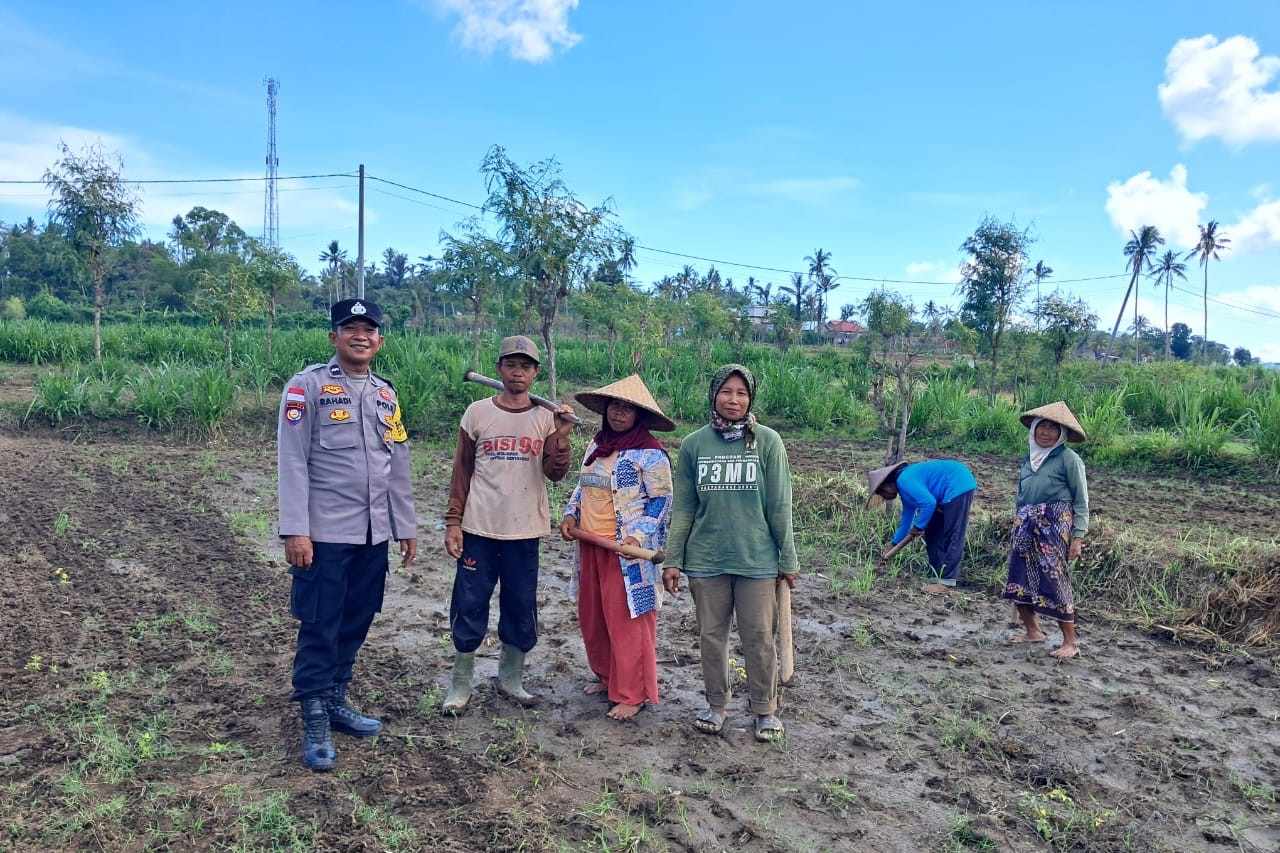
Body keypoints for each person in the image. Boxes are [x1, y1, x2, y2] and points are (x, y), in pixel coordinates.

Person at [278, 298, 418, 772]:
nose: (361, 336)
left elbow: (397, 462)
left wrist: (405, 526)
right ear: (333, 337)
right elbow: (292, 460)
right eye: (350, 328)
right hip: (325, 533)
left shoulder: (385, 395)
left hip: (373, 532)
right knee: (321, 621)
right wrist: (296, 530)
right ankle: (314, 713)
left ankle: (336, 697)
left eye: (369, 329)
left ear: (380, 340)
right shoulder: (308, 387)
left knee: (359, 616)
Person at [662, 365, 798, 743]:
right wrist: (673, 559)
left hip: (757, 560)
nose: (733, 400)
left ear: (750, 398)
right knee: (711, 637)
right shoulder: (694, 445)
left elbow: (779, 505)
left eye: (741, 393)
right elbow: (684, 508)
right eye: (726, 391)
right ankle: (716, 705)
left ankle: (765, 710)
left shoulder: (768, 442)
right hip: (706, 559)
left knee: (759, 637)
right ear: (713, 395)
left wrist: (788, 559)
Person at [442, 335, 574, 714]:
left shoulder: (545, 417)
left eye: (525, 366)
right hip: (479, 528)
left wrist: (561, 436)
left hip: (524, 531)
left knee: (520, 604)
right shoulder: (477, 413)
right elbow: (462, 471)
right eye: (511, 365)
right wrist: (453, 522)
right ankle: (461, 682)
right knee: (469, 602)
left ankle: (510, 678)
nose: (518, 372)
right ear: (499, 368)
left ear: (535, 373)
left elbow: (555, 473)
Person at [560, 375, 675, 721]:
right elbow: (583, 488)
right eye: (614, 406)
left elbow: (660, 502)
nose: (619, 413)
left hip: (627, 554)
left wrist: (636, 537)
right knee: (594, 617)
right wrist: (570, 514)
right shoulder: (597, 446)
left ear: (639, 415)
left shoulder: (651, 454)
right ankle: (607, 677)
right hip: (591, 545)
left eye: (627, 408)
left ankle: (632, 693)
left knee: (629, 622)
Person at [1003, 402, 1090, 659]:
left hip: (1054, 525)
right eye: (1042, 426)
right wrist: (1017, 520)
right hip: (1025, 524)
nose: (1046, 432)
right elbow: (1021, 496)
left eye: (1053, 428)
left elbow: (1081, 501)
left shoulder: (1069, 459)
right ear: (1034, 429)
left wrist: (1077, 537)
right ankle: (1033, 632)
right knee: (1018, 576)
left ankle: (1070, 643)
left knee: (1055, 579)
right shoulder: (1028, 459)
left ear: (1061, 434)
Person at [866, 458, 978, 594]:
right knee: (933, 534)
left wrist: (918, 526)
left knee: (953, 534)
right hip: (946, 491)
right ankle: (936, 575)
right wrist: (893, 544)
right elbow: (906, 521)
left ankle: (947, 582)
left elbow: (929, 503)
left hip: (958, 484)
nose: (884, 497)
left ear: (887, 485)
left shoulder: (905, 480)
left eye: (882, 493)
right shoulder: (904, 490)